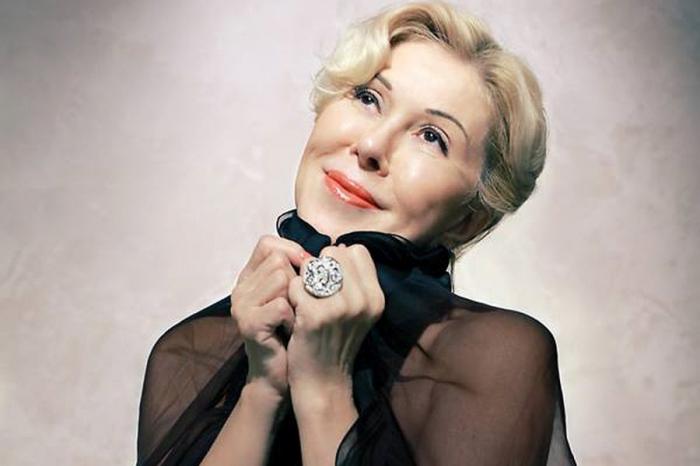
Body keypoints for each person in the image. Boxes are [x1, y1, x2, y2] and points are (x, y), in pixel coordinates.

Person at [135, 1, 578, 465]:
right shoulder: (189, 353)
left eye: (431, 136)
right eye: (368, 98)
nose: (370, 146)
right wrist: (262, 389)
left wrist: (323, 388)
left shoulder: (494, 360)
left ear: (470, 219)